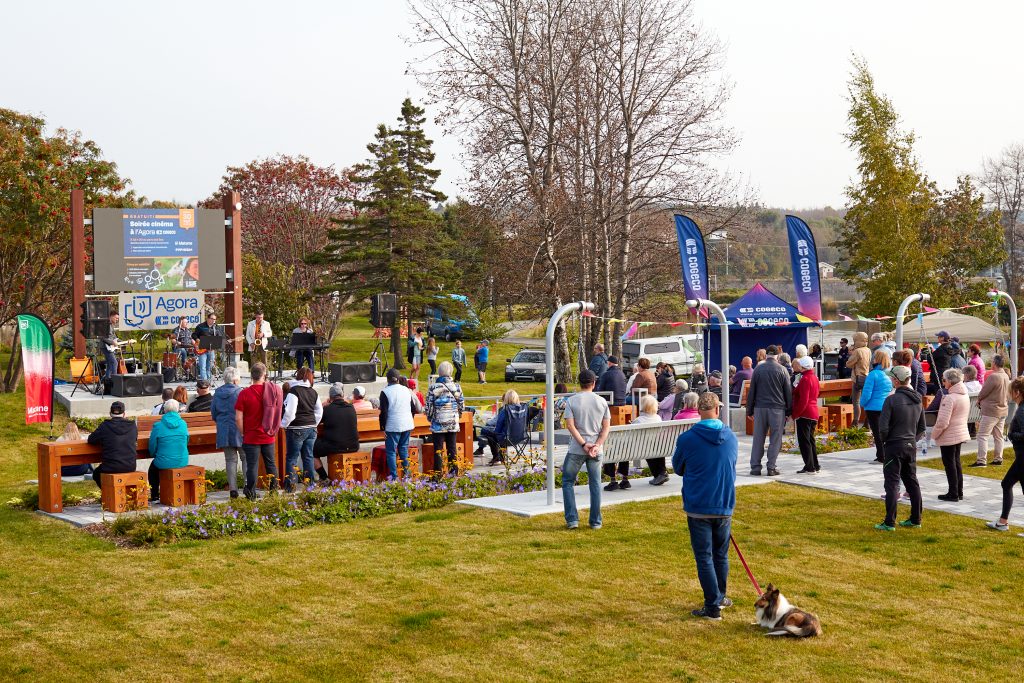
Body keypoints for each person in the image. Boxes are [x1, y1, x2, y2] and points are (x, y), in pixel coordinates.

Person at [672, 392, 737, 620]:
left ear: (699, 411)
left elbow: (678, 467)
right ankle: (719, 597)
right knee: (720, 555)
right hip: (723, 502)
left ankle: (713, 605)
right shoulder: (731, 437)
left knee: (705, 556)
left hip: (699, 503)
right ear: (717, 410)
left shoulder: (687, 439)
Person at [875, 365, 925, 531]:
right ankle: (916, 519)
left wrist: (887, 441)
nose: (890, 381)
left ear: (896, 381)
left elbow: (882, 428)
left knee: (892, 483)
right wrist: (912, 440)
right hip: (910, 445)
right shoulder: (917, 398)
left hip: (894, 445)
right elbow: (922, 428)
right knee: (912, 482)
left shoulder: (891, 400)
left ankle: (889, 522)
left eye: (891, 379)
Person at [562, 370, 610, 530]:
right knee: (595, 484)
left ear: (579, 383)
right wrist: (596, 444)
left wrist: (583, 444)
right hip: (596, 449)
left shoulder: (572, 400)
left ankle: (572, 520)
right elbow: (606, 428)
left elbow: (570, 425)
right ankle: (596, 521)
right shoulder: (602, 401)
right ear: (594, 383)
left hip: (577, 448)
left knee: (568, 481)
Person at [235, 363, 282, 498]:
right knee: (271, 464)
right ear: (264, 374)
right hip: (268, 434)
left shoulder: (244, 393)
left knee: (252, 466)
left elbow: (238, 418)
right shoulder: (273, 391)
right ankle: (273, 492)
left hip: (251, 436)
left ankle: (251, 492)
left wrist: (243, 432)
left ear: (251, 375)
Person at [747, 345, 792, 476]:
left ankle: (755, 467)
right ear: (777, 356)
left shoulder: (758, 369)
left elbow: (752, 392)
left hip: (760, 408)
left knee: (758, 438)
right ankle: (771, 467)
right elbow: (788, 393)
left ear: (766, 355)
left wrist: (749, 411)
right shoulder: (783, 370)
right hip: (777, 409)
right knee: (775, 439)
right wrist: (789, 411)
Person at [986, 377, 1024, 533]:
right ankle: (1002, 521)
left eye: (1011, 391)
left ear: (1017, 392)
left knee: (1006, 483)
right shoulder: (1021, 407)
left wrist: (1012, 435)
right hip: (1021, 456)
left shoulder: (1022, 410)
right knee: (1008, 484)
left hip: (1023, 456)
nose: (1009, 394)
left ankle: (1003, 522)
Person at [281, 367, 323, 490]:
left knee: (292, 458)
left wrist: (283, 424)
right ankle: (310, 485)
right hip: (311, 428)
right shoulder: (313, 392)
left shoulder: (294, 391)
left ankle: (290, 487)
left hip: (296, 428)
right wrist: (313, 423)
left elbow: (290, 412)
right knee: (308, 456)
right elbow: (319, 411)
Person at [932, 368, 970, 502]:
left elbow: (942, 422)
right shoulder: (964, 394)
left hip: (949, 434)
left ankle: (953, 492)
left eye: (944, 380)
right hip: (959, 432)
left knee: (950, 464)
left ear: (950, 382)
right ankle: (958, 491)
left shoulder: (949, 398)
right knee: (956, 462)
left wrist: (933, 435)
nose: (943, 383)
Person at [314, 382, 360, 481]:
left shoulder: (327, 409)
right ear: (342, 396)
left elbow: (316, 420)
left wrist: (323, 405)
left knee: (311, 450)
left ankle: (324, 477)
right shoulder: (351, 408)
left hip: (335, 446)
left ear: (330, 397)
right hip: (354, 445)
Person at [425, 361, 465, 474]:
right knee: (452, 449)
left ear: (439, 372)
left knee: (438, 449)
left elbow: (429, 407)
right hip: (452, 422)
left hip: (438, 423)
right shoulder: (457, 387)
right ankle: (454, 472)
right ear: (451, 372)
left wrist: (430, 418)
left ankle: (438, 475)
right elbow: (461, 405)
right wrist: (458, 416)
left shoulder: (433, 387)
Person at [211, 367, 245, 498]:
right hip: (240, 429)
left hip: (224, 430)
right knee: (245, 458)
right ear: (236, 380)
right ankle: (248, 487)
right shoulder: (240, 392)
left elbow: (213, 414)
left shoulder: (217, 393)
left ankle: (233, 490)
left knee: (230, 460)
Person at [379, 368, 418, 478]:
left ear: (387, 380)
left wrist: (383, 427)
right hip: (407, 424)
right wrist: (410, 419)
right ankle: (406, 474)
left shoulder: (385, 392)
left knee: (391, 451)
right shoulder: (406, 390)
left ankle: (394, 476)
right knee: (403, 449)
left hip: (392, 425)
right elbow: (413, 408)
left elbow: (384, 412)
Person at [87, 401, 138, 486]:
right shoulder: (132, 426)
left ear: (110, 413)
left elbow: (91, 440)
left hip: (110, 466)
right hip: (130, 466)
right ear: (124, 413)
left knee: (96, 474)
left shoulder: (105, 426)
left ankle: (107, 494)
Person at [147, 399, 189, 501]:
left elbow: (152, 446)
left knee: (152, 471)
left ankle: (155, 495)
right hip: (182, 460)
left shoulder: (158, 426)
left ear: (164, 410)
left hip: (163, 461)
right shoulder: (183, 424)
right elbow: (186, 440)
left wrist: (154, 454)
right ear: (178, 410)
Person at [974, 354, 1010, 467]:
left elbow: (984, 391)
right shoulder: (1005, 375)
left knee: (982, 435)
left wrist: (979, 399)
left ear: (995, 363)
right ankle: (998, 459)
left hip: (991, 411)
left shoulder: (993, 376)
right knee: (998, 436)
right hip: (1002, 410)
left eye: (992, 361)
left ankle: (981, 460)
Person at [626, 395, 668, 485]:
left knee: (648, 450)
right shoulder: (658, 418)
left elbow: (630, 435)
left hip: (644, 448)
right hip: (659, 446)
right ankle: (662, 473)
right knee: (656, 449)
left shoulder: (639, 420)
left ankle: (658, 475)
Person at [861, 350, 893, 464]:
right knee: (885, 431)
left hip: (873, 408)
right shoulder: (888, 374)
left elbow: (867, 393)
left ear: (876, 359)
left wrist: (862, 403)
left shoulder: (873, 374)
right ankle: (885, 454)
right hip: (885, 406)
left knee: (877, 433)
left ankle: (881, 456)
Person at [792, 356, 821, 474]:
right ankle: (815, 464)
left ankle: (810, 467)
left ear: (802, 366)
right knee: (811, 440)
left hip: (805, 413)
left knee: (804, 442)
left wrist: (796, 414)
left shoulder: (805, 379)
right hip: (814, 411)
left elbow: (804, 400)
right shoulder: (814, 377)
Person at [846, 332, 871, 423]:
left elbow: (849, 364)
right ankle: (867, 422)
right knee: (867, 400)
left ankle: (855, 422)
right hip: (867, 376)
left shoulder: (857, 351)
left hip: (857, 378)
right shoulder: (868, 350)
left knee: (856, 402)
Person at [192, 312, 221, 381]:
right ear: (208, 319)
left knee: (209, 367)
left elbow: (218, 338)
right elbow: (193, 335)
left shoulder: (216, 328)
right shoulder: (200, 326)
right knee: (203, 367)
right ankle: (204, 382)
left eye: (215, 319)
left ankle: (209, 381)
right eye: (212, 319)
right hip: (202, 350)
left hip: (211, 350)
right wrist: (197, 339)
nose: (214, 321)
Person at [100, 310, 123, 380]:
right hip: (105, 347)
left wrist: (125, 341)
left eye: (118, 318)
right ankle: (115, 381)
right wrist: (112, 343)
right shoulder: (106, 325)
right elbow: (103, 338)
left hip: (109, 347)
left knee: (110, 364)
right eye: (116, 318)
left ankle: (108, 381)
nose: (117, 320)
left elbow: (115, 338)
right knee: (114, 363)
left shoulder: (111, 326)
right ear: (111, 316)